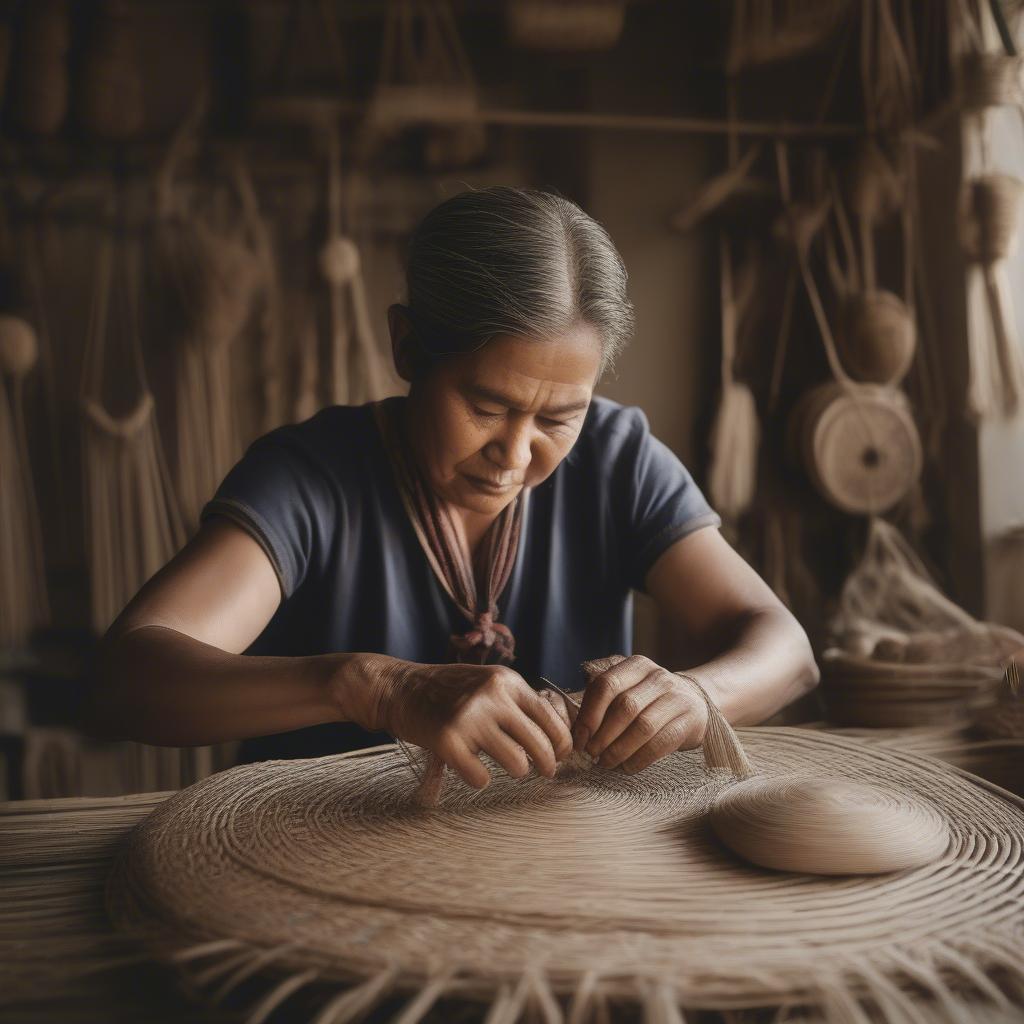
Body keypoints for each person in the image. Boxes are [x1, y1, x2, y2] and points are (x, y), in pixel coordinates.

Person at [85, 186, 818, 789]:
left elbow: (786, 647)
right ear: (407, 347)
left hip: (560, 869)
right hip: (322, 868)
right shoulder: (312, 477)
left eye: (559, 417)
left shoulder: (616, 458)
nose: (516, 453)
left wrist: (697, 696)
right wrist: (374, 686)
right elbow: (126, 678)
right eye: (486, 407)